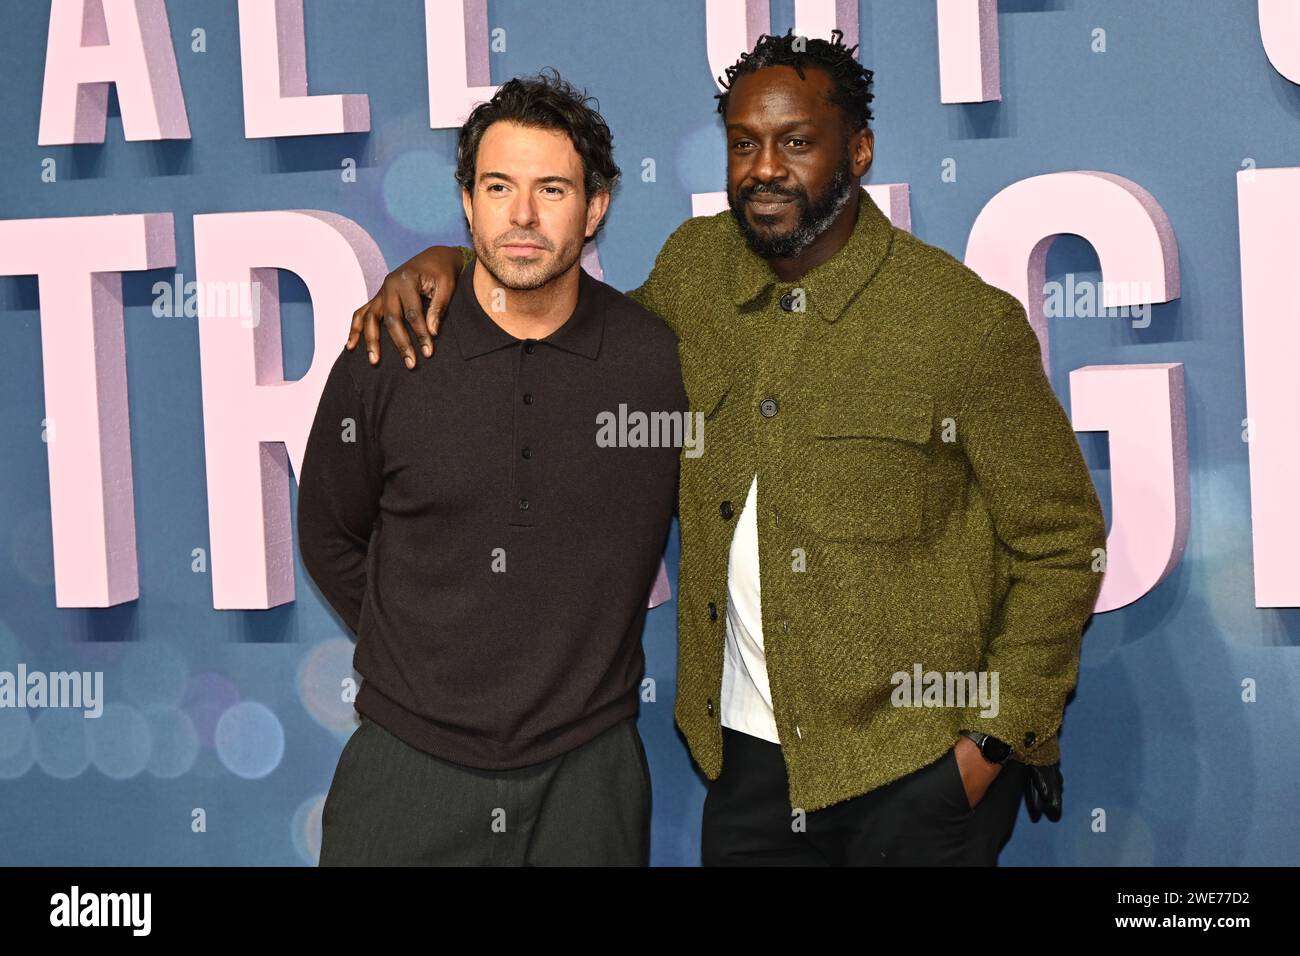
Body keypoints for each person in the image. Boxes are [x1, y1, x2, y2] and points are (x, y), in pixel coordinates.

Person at [346, 31, 1107, 865]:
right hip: (747, 768)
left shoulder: (962, 323)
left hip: (916, 768)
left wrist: (992, 743)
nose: (764, 168)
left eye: (797, 142)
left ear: (858, 150)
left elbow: (1062, 545)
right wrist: (456, 264)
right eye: (744, 143)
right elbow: (576, 334)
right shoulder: (696, 269)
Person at [298, 70, 687, 865]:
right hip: (404, 769)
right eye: (498, 186)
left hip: (589, 777)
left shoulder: (657, 361)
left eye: (552, 189)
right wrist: (425, 664)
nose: (522, 216)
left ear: (596, 207)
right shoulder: (389, 350)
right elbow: (328, 533)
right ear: (467, 202)